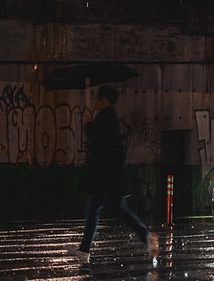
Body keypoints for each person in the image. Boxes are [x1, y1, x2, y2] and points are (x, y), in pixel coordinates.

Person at [67, 84, 158, 266]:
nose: (95, 102)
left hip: (106, 177)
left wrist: (88, 124)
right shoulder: (109, 116)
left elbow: (100, 142)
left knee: (102, 209)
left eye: (98, 98)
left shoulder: (105, 116)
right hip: (109, 176)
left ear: (104, 100)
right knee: (108, 209)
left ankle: (86, 250)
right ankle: (85, 249)